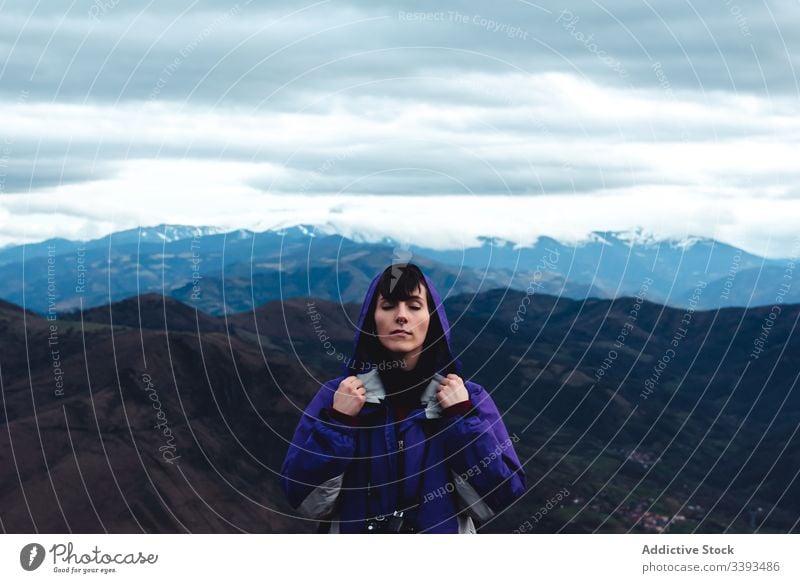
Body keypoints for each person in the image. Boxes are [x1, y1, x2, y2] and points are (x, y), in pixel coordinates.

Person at [280, 263, 526, 533]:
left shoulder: (468, 399)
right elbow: (305, 501)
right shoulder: (337, 398)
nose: (401, 316)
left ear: (432, 318)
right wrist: (338, 423)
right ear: (371, 319)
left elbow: (497, 498)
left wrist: (460, 419)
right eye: (388, 306)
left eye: (414, 305)